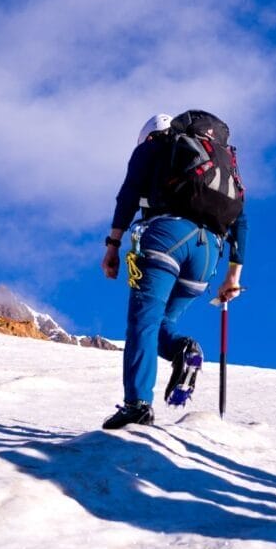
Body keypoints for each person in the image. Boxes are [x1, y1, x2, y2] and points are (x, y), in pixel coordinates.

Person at [100, 112, 246, 429]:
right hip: (208, 253)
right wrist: (233, 275)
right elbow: (241, 219)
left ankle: (137, 405)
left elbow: (128, 193)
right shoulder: (219, 160)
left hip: (166, 238)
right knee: (164, 323)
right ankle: (183, 349)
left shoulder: (154, 146)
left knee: (144, 321)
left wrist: (113, 244)